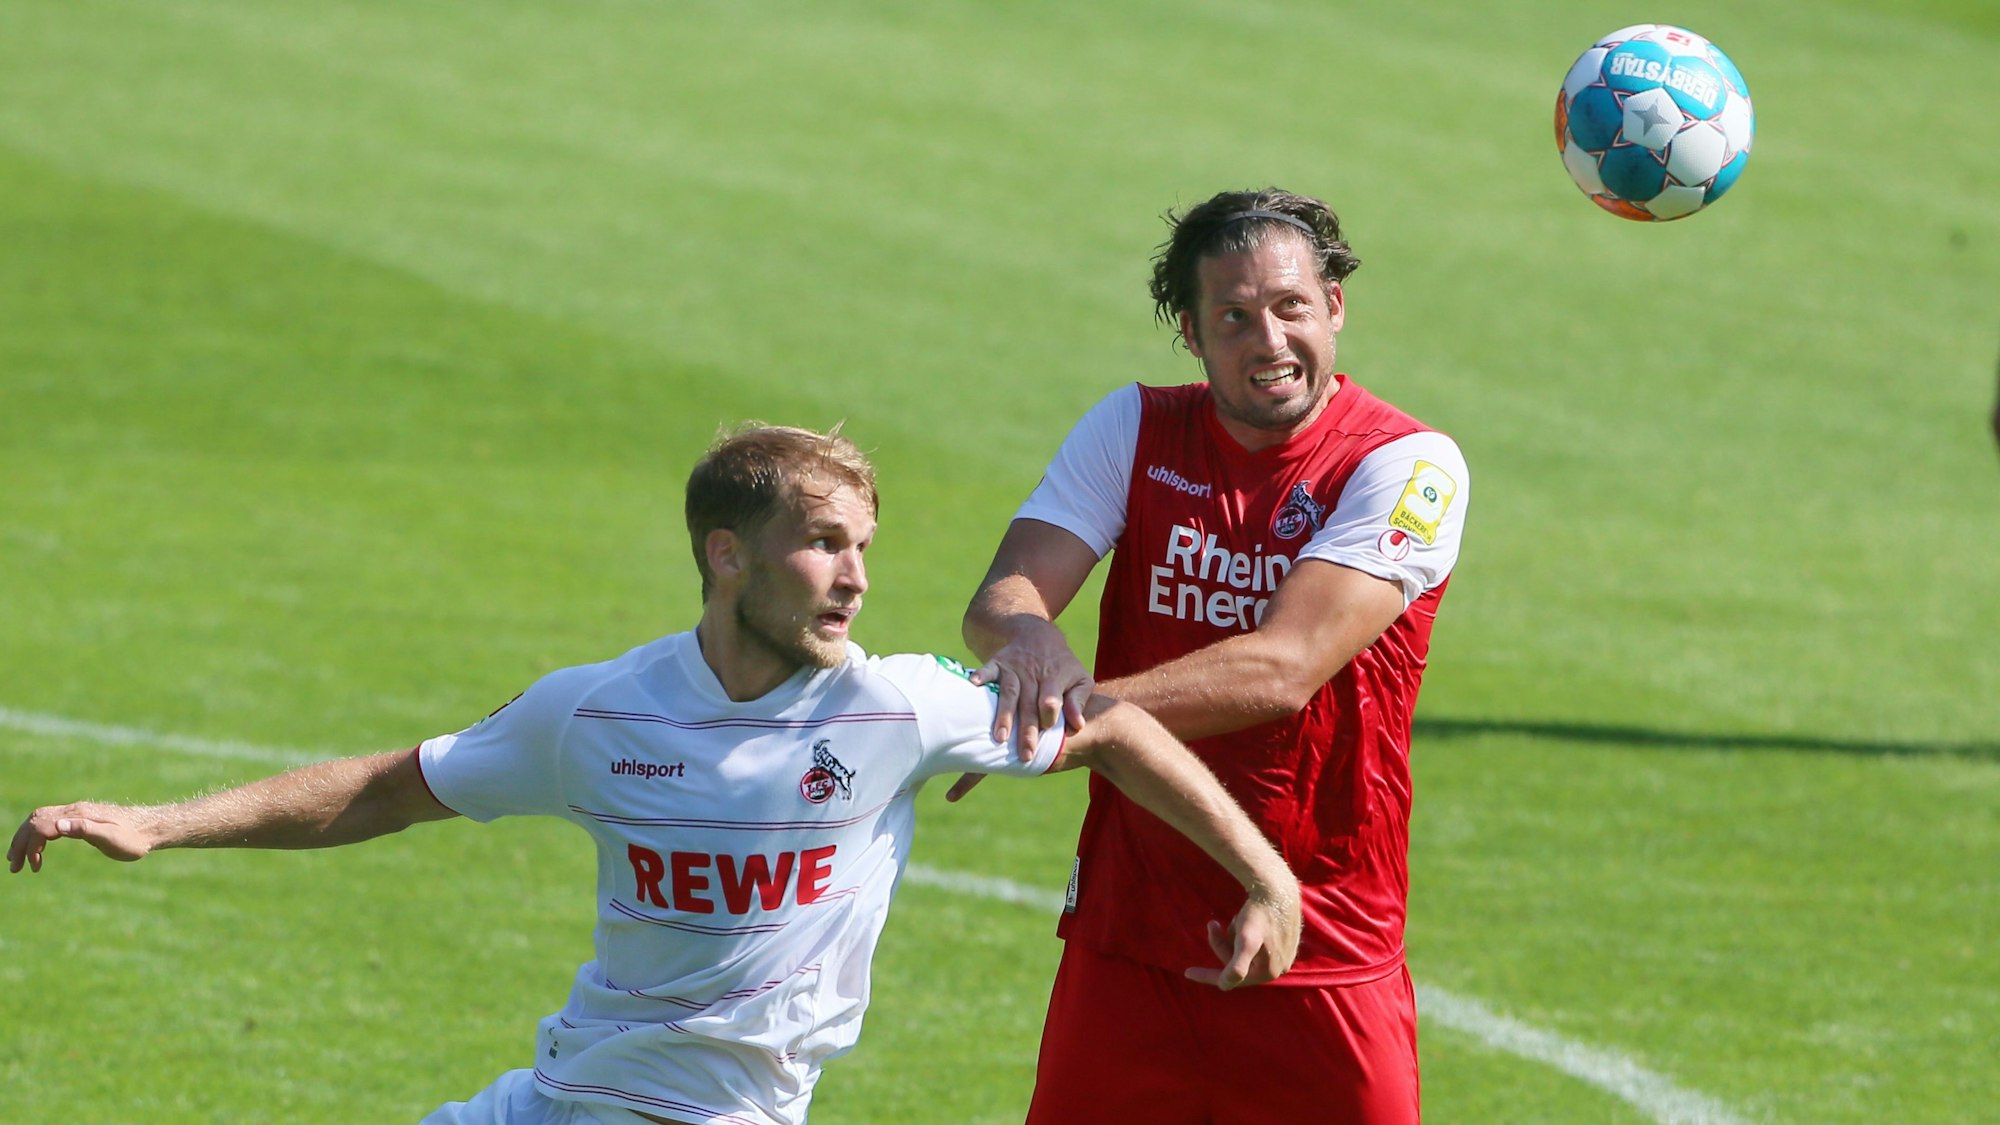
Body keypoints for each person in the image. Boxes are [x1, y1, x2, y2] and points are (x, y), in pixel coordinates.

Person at [8, 423, 1302, 1125]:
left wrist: (1266, 877)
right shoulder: (598, 711)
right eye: (820, 545)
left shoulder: (898, 706)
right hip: (557, 1096)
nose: (855, 574)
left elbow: (1110, 728)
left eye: (863, 546)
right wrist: (158, 824)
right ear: (725, 555)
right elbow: (396, 783)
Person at [958, 188, 1470, 1123]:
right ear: (1192, 333)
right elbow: (1004, 600)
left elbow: (1282, 669)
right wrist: (1029, 644)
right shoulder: (1135, 429)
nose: (1269, 341)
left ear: (1335, 309)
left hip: (1320, 927)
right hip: (1130, 925)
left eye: (1291, 308)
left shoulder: (1407, 467)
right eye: (1233, 317)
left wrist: (1064, 719)